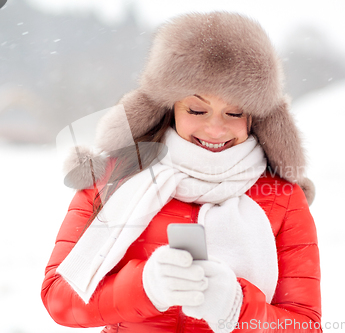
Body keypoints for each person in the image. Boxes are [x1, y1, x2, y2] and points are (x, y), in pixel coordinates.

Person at [41, 11, 321, 333]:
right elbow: (59, 299)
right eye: (197, 109)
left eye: (234, 111)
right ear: (169, 108)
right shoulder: (113, 179)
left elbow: (305, 324)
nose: (215, 128)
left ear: (255, 118)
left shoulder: (283, 199)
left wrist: (236, 306)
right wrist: (145, 286)